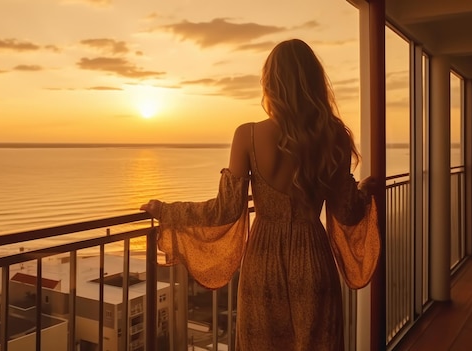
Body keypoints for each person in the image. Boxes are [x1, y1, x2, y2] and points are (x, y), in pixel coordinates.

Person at [140, 39, 379, 351]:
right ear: (314, 82)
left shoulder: (247, 135)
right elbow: (347, 213)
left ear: (270, 82)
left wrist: (166, 210)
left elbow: (224, 211)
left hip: (262, 265)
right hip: (313, 261)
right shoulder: (333, 136)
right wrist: (364, 191)